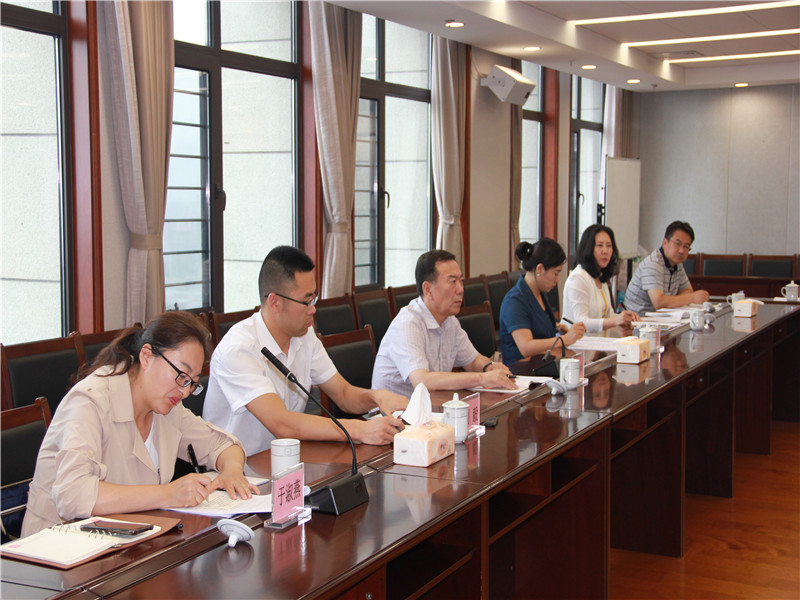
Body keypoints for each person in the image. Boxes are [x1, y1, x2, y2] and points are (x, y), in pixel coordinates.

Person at [22, 312, 258, 537]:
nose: (185, 391)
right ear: (146, 356)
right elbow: (72, 495)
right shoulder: (89, 401)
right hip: (56, 548)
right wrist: (167, 494)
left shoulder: (168, 408)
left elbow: (222, 445)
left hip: (129, 539)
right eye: (181, 375)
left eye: (192, 383)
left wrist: (232, 472)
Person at [203, 246, 406, 457]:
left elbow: (343, 394)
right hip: (240, 468)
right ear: (275, 302)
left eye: (314, 299)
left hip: (288, 459)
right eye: (306, 301)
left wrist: (377, 397)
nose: (313, 309)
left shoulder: (304, 335)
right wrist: (358, 430)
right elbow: (281, 424)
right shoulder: (238, 349)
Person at [371, 250, 516, 397]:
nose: (461, 289)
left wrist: (489, 367)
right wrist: (482, 378)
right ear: (428, 290)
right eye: (453, 281)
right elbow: (422, 381)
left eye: (461, 280)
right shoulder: (407, 324)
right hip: (397, 410)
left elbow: (472, 361)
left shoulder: (450, 321)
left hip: (432, 406)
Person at [499, 239, 587, 364]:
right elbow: (526, 347)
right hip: (521, 370)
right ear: (539, 269)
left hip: (543, 364)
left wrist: (560, 331)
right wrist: (564, 339)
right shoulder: (514, 301)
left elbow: (541, 334)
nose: (557, 280)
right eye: (556, 273)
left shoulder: (540, 294)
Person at [562, 224, 639, 332]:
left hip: (600, 341)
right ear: (588, 248)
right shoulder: (578, 278)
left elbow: (609, 315)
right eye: (599, 245)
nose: (605, 251)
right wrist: (616, 320)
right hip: (580, 342)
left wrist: (625, 317)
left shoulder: (600, 276)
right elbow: (581, 322)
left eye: (609, 246)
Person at [623, 221, 710, 314]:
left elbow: (687, 290)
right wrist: (692, 298)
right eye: (677, 243)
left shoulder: (677, 264)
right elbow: (659, 302)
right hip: (638, 319)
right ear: (665, 242)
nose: (681, 250)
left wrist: (670, 301)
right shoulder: (653, 264)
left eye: (686, 246)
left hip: (660, 318)